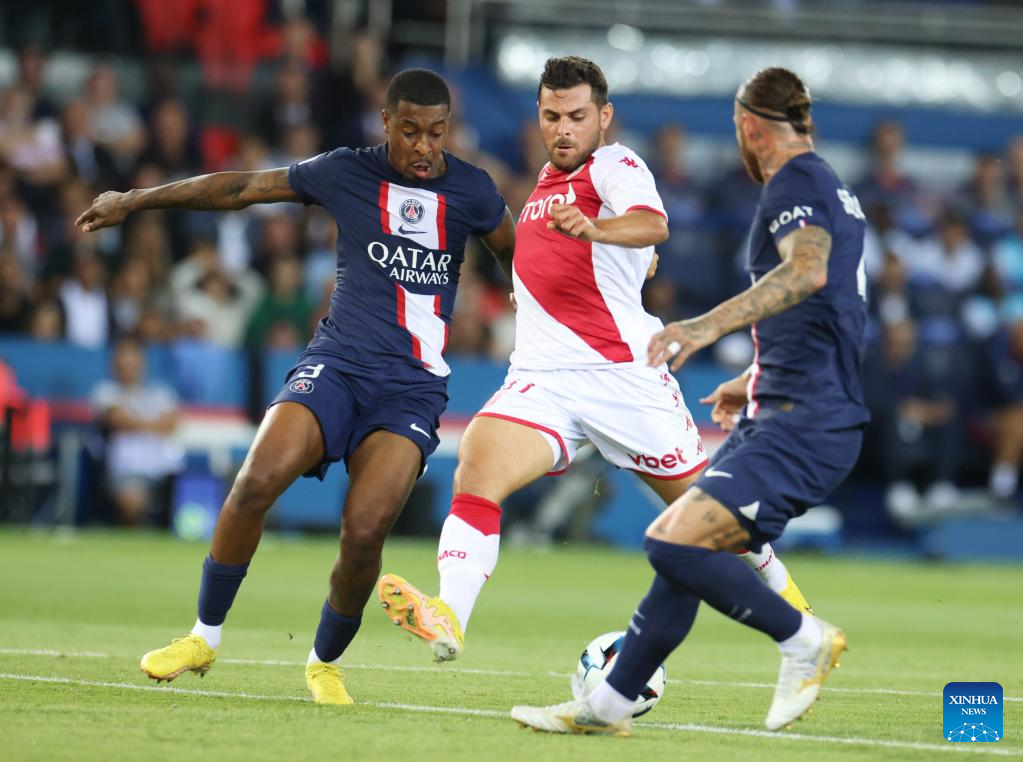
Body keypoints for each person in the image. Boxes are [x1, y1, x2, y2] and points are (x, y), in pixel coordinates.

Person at [74, 68, 516, 704]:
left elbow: (521, 259)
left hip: (411, 388)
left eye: (437, 133)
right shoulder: (345, 171)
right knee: (255, 481)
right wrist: (137, 199)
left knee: (364, 532)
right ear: (385, 122)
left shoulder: (473, 190)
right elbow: (243, 187)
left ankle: (323, 664)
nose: (424, 146)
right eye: (410, 130)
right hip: (336, 365)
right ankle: (203, 636)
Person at [377, 57, 812, 666]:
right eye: (551, 116)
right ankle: (450, 617)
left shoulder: (615, 164)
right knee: (477, 464)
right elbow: (573, 263)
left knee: (718, 523)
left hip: (620, 379)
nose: (563, 129)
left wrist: (598, 231)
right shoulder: (543, 186)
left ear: (603, 116)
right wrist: (536, 287)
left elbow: (652, 224)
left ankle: (800, 621)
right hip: (543, 380)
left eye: (577, 116)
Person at [510, 66, 869, 735]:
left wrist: (705, 326)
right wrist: (754, 374)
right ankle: (608, 706)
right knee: (684, 547)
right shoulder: (830, 187)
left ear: (748, 126)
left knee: (670, 545)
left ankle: (802, 638)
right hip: (788, 407)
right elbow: (836, 310)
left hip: (803, 421)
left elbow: (807, 271)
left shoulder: (794, 183)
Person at [92, 337, 183, 526]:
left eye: (132, 362)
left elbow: (172, 422)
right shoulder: (105, 392)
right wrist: (155, 424)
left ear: (142, 364)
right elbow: (118, 420)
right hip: (128, 471)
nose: (128, 368)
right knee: (132, 501)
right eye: (123, 363)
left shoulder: (161, 393)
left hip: (167, 469)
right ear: (114, 365)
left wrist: (136, 423)